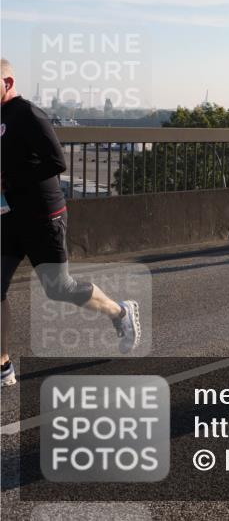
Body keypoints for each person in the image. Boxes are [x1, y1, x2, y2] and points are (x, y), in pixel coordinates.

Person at [1, 59, 140, 387]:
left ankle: (120, 312)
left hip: (43, 216)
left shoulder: (28, 114)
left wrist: (10, 181)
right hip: (9, 217)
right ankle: (3, 366)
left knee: (58, 289)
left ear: (7, 81)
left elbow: (56, 161)